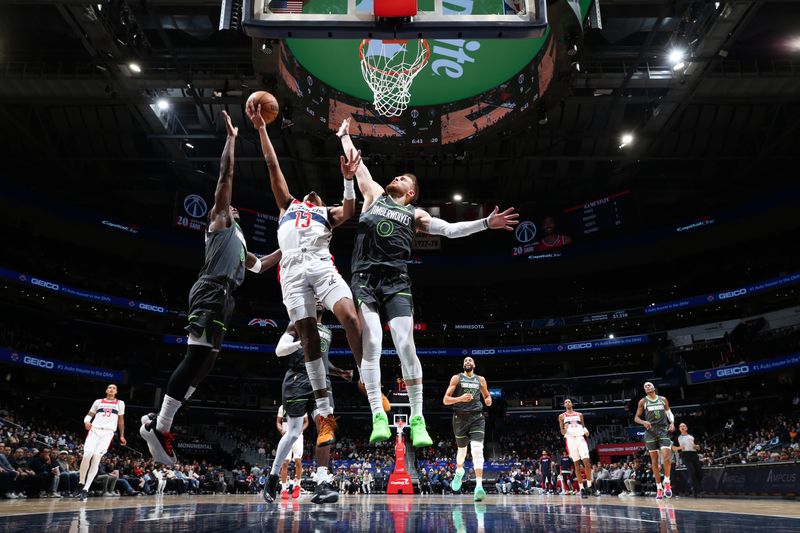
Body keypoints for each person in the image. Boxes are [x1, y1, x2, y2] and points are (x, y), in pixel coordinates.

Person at [338, 117, 518, 446]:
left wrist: (486, 224)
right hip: (364, 280)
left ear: (410, 192)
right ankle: (378, 414)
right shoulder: (374, 195)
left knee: (406, 345)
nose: (396, 176)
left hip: (396, 282)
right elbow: (357, 164)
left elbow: (450, 230)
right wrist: (344, 135)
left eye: (404, 178)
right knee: (374, 342)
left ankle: (418, 419)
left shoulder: (416, 215)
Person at [140, 111, 281, 465]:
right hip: (209, 289)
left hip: (225, 297)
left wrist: (290, 248)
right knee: (195, 356)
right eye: (228, 203)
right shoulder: (219, 221)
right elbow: (226, 175)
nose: (231, 204)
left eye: (232, 205)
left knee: (207, 363)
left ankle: (163, 423)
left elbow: (261, 265)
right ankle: (160, 425)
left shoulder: (240, 238)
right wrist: (232, 139)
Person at [247, 102, 364, 448]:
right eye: (309, 193)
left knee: (351, 319)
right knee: (309, 338)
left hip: (320, 265)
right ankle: (326, 414)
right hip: (292, 275)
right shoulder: (287, 205)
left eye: (316, 194)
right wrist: (261, 129)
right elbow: (272, 164)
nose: (312, 193)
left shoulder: (324, 212)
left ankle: (367, 383)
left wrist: (347, 182)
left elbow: (350, 210)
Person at [262, 303, 355, 504]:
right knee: (293, 432)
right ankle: (273, 477)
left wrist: (339, 372)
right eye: (315, 297)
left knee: (326, 425)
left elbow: (323, 361)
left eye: (321, 297)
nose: (319, 300)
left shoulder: (327, 332)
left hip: (321, 381)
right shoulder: (297, 324)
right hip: (298, 380)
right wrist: (301, 342)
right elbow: (279, 350)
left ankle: (322, 482)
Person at [442, 356, 492, 501]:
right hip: (460, 418)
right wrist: (460, 398)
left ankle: (478, 486)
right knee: (462, 453)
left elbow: (487, 396)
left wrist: (488, 400)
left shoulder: (480, 380)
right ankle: (459, 471)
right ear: (463, 365)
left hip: (477, 417)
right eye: (465, 361)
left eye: (470, 360)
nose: (467, 362)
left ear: (474, 364)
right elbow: (445, 400)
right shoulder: (456, 378)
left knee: (477, 449)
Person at [75, 384, 125, 502]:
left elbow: (121, 421)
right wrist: (86, 422)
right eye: (109, 387)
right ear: (106, 390)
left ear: (116, 392)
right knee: (87, 455)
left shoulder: (120, 403)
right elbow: (89, 415)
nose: (111, 389)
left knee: (96, 458)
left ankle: (85, 489)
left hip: (107, 434)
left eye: (114, 388)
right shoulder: (98, 402)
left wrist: (122, 435)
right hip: (94, 430)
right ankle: (81, 482)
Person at [634, 381, 675, 499]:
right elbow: (636, 418)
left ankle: (667, 482)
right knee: (655, 461)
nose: (646, 386)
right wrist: (643, 422)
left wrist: (672, 422)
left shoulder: (663, 399)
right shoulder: (643, 401)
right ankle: (659, 488)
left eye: (648, 385)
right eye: (645, 386)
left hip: (663, 430)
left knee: (667, 458)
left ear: (653, 387)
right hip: (650, 432)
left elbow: (669, 413)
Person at [558, 399, 596, 499]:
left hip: (580, 438)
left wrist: (585, 430)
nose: (567, 403)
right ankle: (582, 489)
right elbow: (562, 432)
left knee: (587, 462)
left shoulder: (579, 414)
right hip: (570, 440)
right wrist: (565, 429)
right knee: (576, 464)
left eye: (569, 401)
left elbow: (583, 425)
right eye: (565, 402)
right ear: (564, 405)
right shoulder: (561, 416)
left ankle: (590, 486)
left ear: (572, 404)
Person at [276, 405, 308, 499]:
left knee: (298, 461)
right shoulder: (282, 407)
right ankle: (284, 489)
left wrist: (301, 429)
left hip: (298, 436)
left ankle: (297, 486)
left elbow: (306, 422)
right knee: (285, 463)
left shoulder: (301, 405)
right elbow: (278, 422)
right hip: (286, 435)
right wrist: (281, 429)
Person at [673, 422, 703, 497]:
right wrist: (680, 448)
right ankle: (697, 490)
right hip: (685, 455)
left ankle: (695, 487)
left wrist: (695, 446)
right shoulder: (678, 437)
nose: (682, 427)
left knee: (699, 472)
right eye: (681, 426)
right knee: (692, 472)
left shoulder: (692, 436)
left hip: (694, 454)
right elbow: (673, 448)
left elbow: (698, 447)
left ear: (686, 428)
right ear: (679, 429)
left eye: (684, 426)